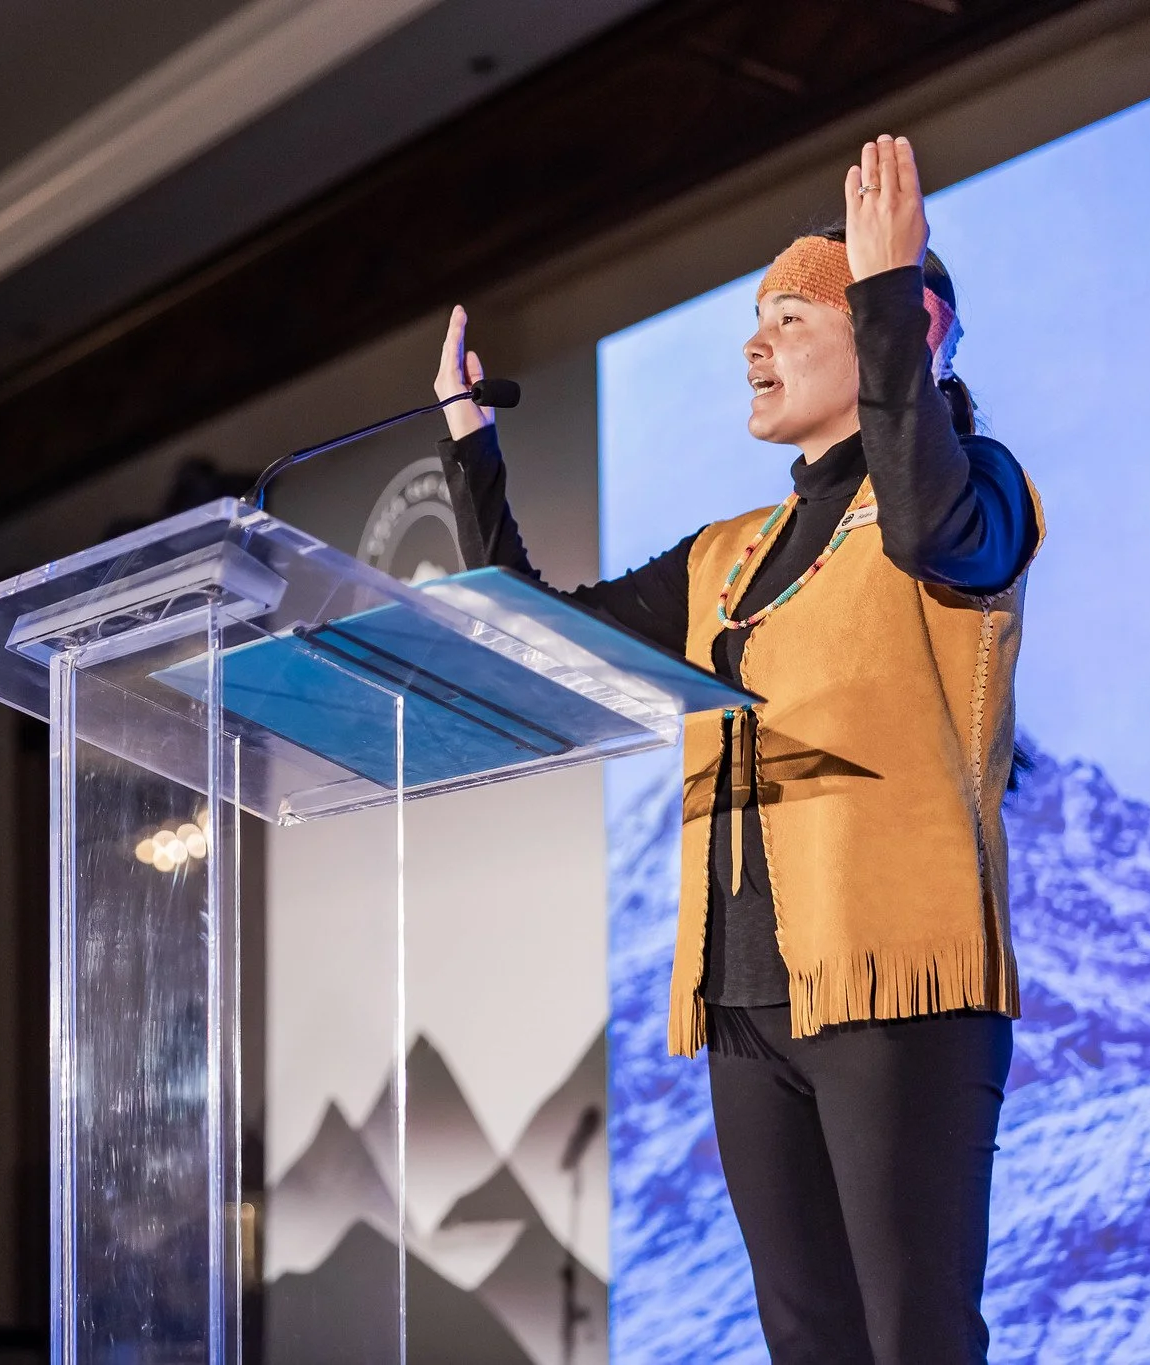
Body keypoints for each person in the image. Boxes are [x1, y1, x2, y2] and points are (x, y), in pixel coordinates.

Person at [433, 135, 1039, 1362]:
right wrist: (467, 447)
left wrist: (882, 293)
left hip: (896, 981)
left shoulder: (975, 484)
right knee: (805, 1340)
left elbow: (926, 527)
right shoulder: (725, 552)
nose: (752, 346)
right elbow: (544, 636)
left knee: (913, 1337)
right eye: (751, 322)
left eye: (787, 316)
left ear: (903, 327)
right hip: (746, 997)